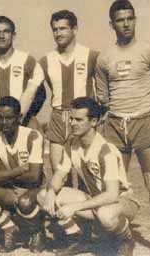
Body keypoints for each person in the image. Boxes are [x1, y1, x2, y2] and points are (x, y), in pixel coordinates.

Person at [95, 1, 150, 254]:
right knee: (116, 184)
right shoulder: (105, 58)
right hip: (115, 123)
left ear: (135, 20)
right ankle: (122, 237)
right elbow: (102, 96)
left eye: (130, 19)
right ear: (111, 24)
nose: (126, 24)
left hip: (145, 120)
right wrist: (111, 115)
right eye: (120, 20)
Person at [38, 97, 139, 256]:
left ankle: (126, 239)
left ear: (94, 121)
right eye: (71, 119)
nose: (72, 123)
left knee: (105, 215)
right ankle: (80, 238)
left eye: (79, 119)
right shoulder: (72, 144)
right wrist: (51, 192)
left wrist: (74, 207)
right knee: (43, 195)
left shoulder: (106, 150)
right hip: (96, 199)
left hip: (122, 201)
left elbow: (112, 194)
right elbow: (59, 174)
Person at [0, 96, 45, 253]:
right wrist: (18, 170)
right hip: (9, 190)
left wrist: (3, 174)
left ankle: (37, 231)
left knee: (25, 202)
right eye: (0, 118)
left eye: (9, 118)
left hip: (33, 190)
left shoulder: (33, 136)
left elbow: (34, 177)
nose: (4, 123)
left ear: (19, 117)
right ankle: (9, 228)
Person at [40, 10, 99, 181]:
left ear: (75, 29)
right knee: (58, 173)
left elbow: (103, 89)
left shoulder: (91, 56)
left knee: (85, 176)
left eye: (63, 28)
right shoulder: (46, 61)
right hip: (58, 117)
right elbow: (39, 92)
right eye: (55, 29)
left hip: (82, 117)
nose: (58, 33)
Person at [0, 16, 46, 134]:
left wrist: (27, 114)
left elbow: (41, 94)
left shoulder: (27, 60)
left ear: (13, 35)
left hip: (23, 119)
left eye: (6, 31)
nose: (1, 36)